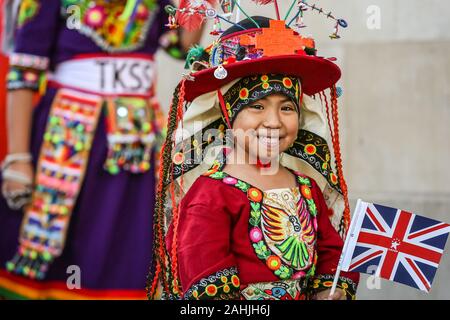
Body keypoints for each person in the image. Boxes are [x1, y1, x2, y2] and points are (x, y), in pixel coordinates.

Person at [0, 0, 204, 299]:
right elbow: (23, 74)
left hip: (137, 141)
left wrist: (198, 4)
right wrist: (18, 159)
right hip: (69, 136)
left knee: (128, 238)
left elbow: (180, 46)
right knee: (63, 241)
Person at [147, 14, 360, 300]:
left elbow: (333, 253)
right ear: (228, 114)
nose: (273, 122)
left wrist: (329, 291)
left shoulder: (308, 189)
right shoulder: (210, 196)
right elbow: (206, 284)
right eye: (257, 107)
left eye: (287, 108)